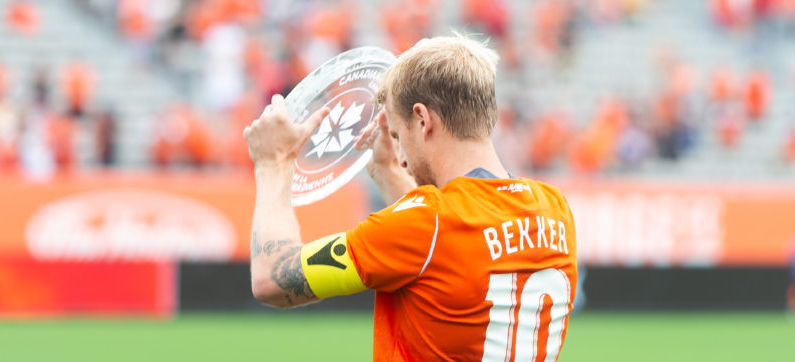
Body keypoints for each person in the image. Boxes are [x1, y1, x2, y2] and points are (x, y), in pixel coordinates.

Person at [244, 35, 577, 361]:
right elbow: (445, 250)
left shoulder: (425, 223)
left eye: (398, 136)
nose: (402, 158)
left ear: (422, 119)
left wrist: (274, 164)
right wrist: (387, 171)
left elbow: (271, 278)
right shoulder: (554, 208)